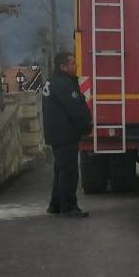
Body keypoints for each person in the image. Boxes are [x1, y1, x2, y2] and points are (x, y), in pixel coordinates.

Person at [42, 50, 92, 218]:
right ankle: (69, 206)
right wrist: (86, 126)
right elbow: (76, 109)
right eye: (72, 63)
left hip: (55, 134)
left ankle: (55, 205)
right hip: (65, 134)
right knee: (69, 172)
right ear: (63, 66)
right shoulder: (64, 84)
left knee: (60, 170)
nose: (75, 66)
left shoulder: (52, 82)